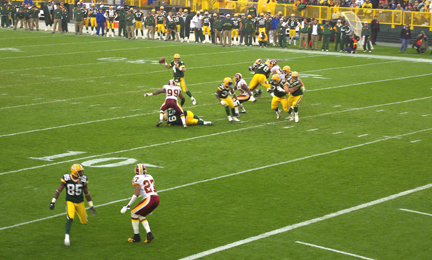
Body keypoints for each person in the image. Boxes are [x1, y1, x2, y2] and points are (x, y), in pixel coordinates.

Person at [49, 164, 97, 246]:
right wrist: (53, 202)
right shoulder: (67, 179)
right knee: (70, 218)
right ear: (75, 173)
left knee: (84, 222)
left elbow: (87, 193)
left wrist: (91, 206)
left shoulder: (83, 180)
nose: (82, 173)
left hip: (80, 202)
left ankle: (83, 216)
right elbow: (58, 190)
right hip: (70, 201)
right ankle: (67, 236)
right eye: (80, 172)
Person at [120, 164, 159, 244]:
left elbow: (136, 194)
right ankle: (149, 234)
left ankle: (136, 236)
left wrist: (128, 205)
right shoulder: (150, 176)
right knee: (141, 215)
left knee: (133, 213)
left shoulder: (137, 178)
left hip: (149, 199)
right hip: (156, 199)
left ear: (135, 171)